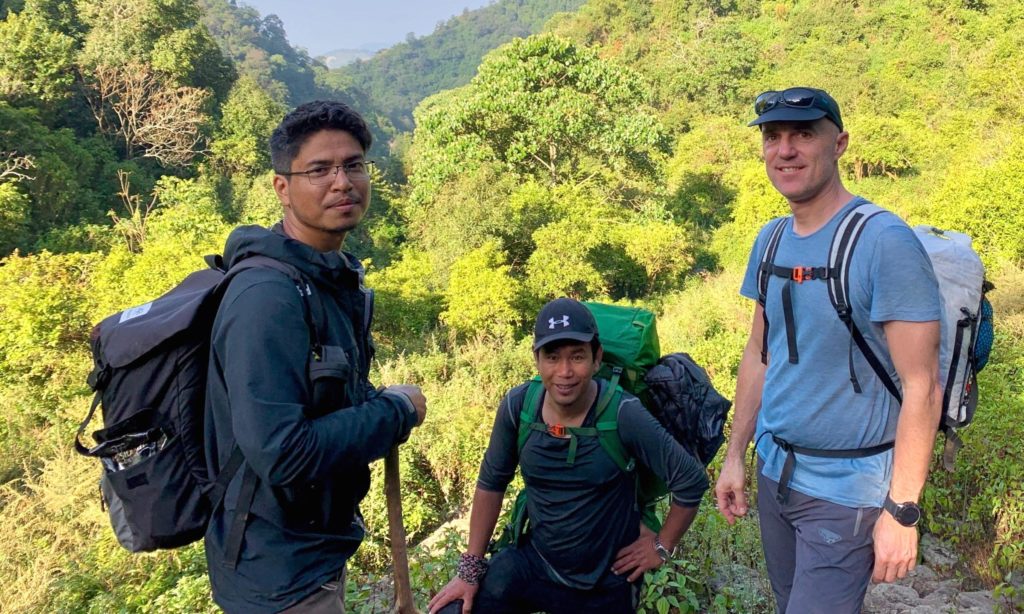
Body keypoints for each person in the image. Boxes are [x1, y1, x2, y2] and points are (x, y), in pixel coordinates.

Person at [714, 87, 942, 613]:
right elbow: (759, 354)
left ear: (838, 143)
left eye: (803, 134)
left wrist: (902, 511)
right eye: (773, 137)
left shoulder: (883, 241)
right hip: (775, 474)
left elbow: (921, 385)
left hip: (847, 493)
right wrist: (735, 456)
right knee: (790, 601)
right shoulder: (770, 240)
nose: (785, 150)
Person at [203, 100, 428, 613]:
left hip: (314, 552)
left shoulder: (328, 276)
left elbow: (330, 399)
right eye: (319, 169)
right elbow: (282, 453)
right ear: (283, 187)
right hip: (278, 577)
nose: (342, 182)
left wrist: (379, 402)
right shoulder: (267, 296)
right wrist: (396, 412)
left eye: (353, 165)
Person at [428, 298, 709, 614]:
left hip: (607, 578)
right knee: (454, 609)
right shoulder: (520, 406)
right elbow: (492, 483)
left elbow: (690, 480)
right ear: (537, 359)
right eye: (552, 357)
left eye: (577, 356)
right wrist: (470, 570)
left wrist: (662, 544)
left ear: (596, 357)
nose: (564, 372)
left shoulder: (622, 413)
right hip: (536, 563)